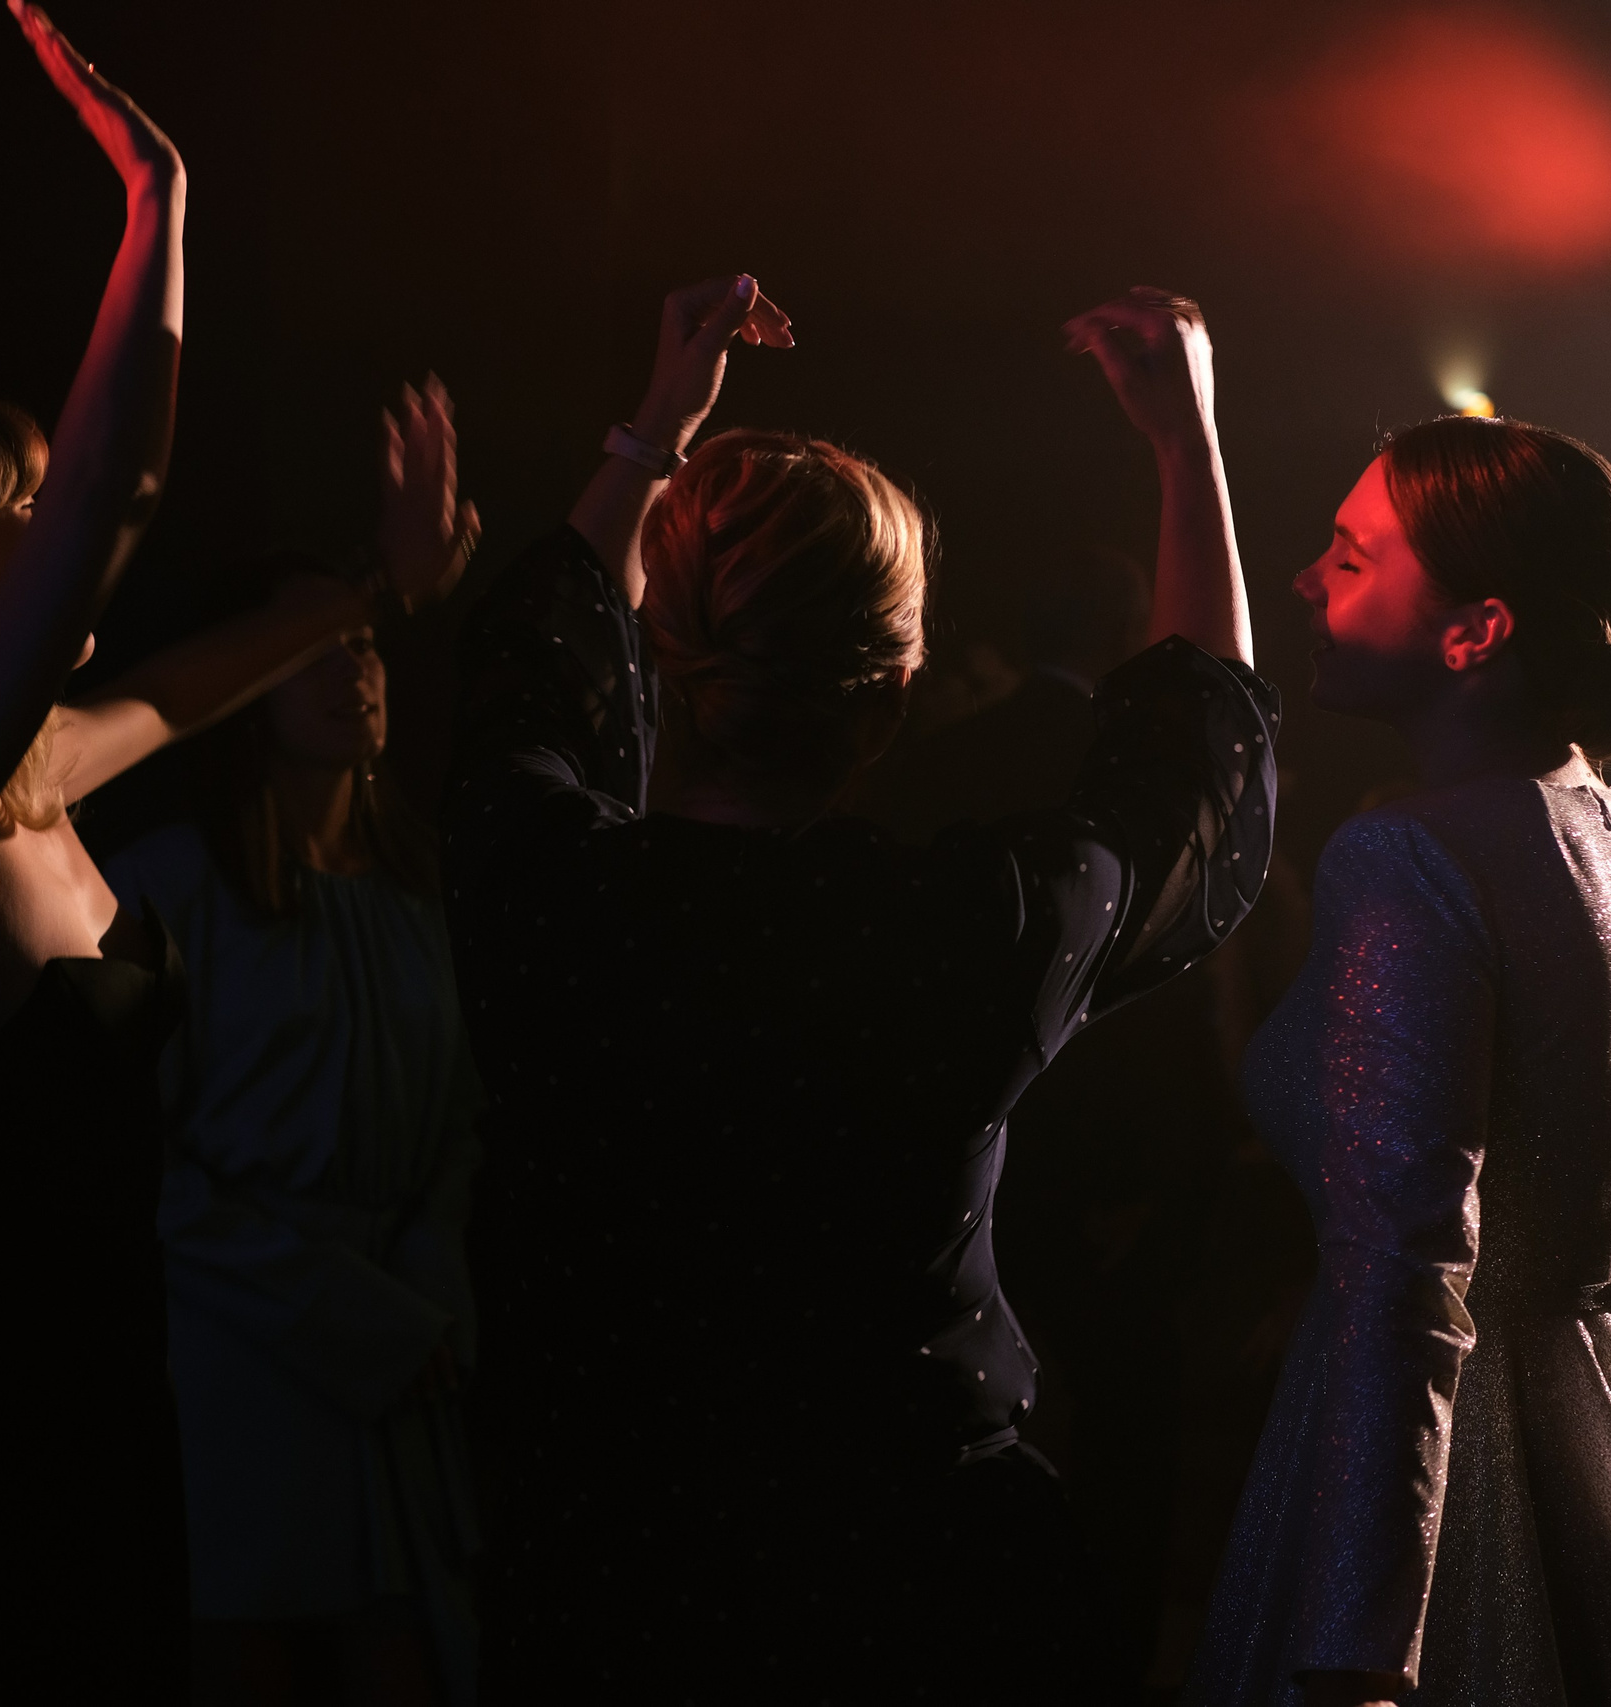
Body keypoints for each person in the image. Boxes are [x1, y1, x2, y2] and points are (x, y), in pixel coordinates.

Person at [442, 277, 1274, 1701]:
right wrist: (1186, 445)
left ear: (668, 659)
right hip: (914, 1577)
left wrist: (653, 435)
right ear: (895, 685)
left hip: (615, 1571)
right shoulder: (975, 920)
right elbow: (1195, 756)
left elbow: (539, 675)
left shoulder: (546, 887)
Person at [0, 9, 471, 1695]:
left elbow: (182, 690)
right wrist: (159, 198)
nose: (43, 530)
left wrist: (379, 592)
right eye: (3, 506)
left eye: (42, 488)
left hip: (113, 1427)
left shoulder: (28, 781)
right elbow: (113, 505)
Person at [1191, 415, 1611, 1707]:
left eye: (1350, 557)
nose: (1306, 578)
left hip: (1443, 1497)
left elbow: (1407, 1262)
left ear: (1476, 628)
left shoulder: (1409, 859)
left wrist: (1358, 1637)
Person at [103, 526, 485, 1698]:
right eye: (316, 646)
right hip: (239, 1365)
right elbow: (139, 1167)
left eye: (365, 645)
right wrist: (340, 1308)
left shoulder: (425, 890)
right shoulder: (171, 888)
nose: (352, 670)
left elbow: (466, 1119)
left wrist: (424, 1292)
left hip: (414, 1356)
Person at [868, 540, 1248, 1683]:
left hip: (959, 1189)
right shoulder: (1126, 768)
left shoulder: (933, 765)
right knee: (1125, 1471)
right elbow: (1175, 995)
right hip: (1114, 1192)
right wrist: (1178, 1170)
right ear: (1131, 631)